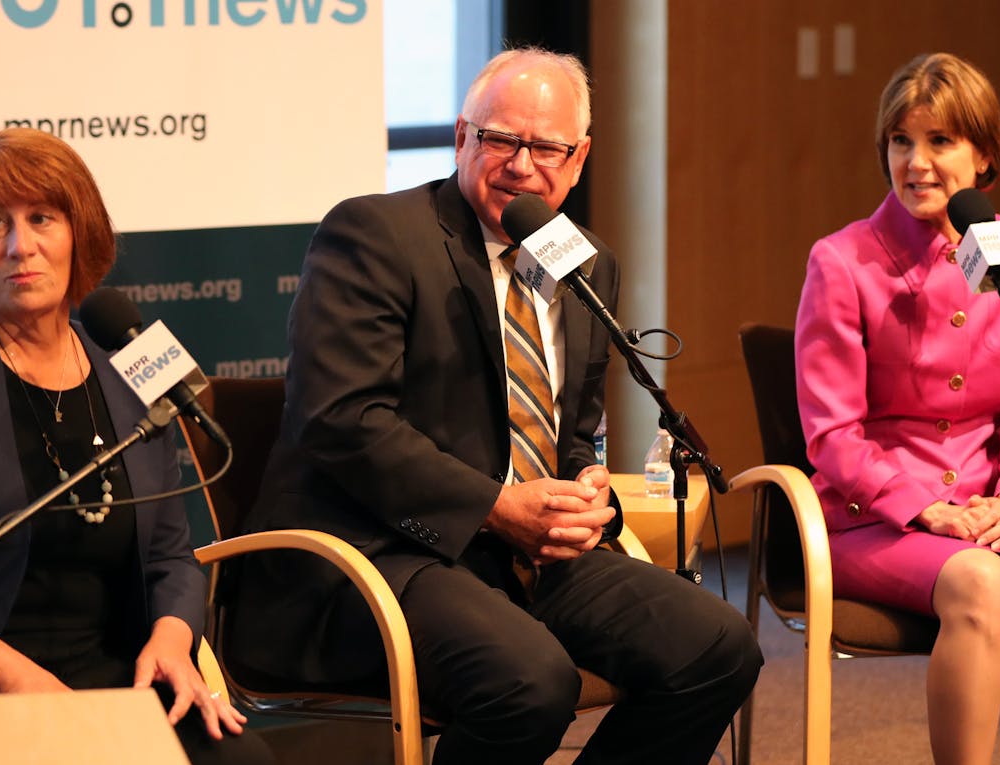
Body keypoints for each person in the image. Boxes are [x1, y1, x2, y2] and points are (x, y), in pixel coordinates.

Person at [226, 47, 762, 764]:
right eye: (500, 138)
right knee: (529, 682)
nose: (521, 164)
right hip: (382, 554)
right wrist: (496, 507)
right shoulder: (377, 236)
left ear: (579, 160)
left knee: (718, 646)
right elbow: (344, 420)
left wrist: (587, 489)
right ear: (461, 138)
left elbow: (571, 433)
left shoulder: (587, 262)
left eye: (546, 147)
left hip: (529, 554)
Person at [0, 128, 273, 765]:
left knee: (244, 760)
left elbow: (171, 553)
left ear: (78, 233)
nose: (19, 246)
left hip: (119, 680)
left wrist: (173, 642)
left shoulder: (132, 366)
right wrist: (21, 682)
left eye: (42, 218)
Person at [795, 53, 1000, 764]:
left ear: (985, 157)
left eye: (941, 142)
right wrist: (924, 507)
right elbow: (832, 435)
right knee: (980, 579)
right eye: (902, 141)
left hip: (986, 505)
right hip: (874, 516)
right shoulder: (841, 262)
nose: (917, 162)